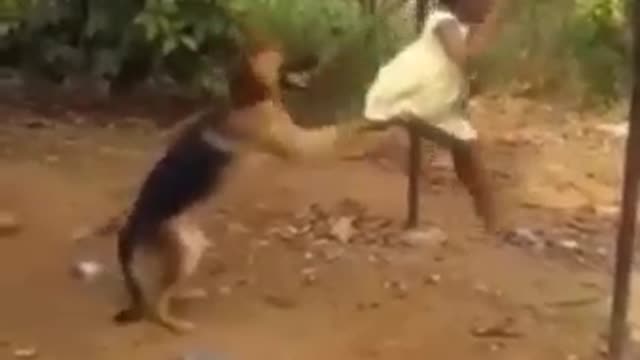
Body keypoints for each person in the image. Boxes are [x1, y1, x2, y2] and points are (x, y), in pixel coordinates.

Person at [361, 0, 505, 232]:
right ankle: (491, 217)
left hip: (436, 101)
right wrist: (492, 22)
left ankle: (489, 214)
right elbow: (464, 58)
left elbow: (470, 71)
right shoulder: (443, 22)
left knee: (467, 151)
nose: (487, 6)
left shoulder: (460, 27)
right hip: (418, 97)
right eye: (485, 3)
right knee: (466, 148)